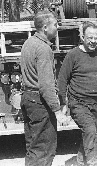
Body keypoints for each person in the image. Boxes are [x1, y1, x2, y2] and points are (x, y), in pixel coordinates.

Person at [58, 21, 97, 166]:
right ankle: (96, 164)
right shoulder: (73, 55)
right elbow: (62, 80)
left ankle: (80, 161)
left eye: (96, 38)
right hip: (78, 102)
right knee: (90, 130)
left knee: (94, 133)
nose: (93, 41)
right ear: (82, 37)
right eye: (90, 37)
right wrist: (63, 104)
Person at [20, 10, 69, 166]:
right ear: (46, 27)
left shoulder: (28, 43)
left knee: (33, 146)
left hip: (28, 98)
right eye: (55, 24)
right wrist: (57, 111)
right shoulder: (43, 48)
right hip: (40, 103)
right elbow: (46, 85)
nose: (57, 27)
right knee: (44, 149)